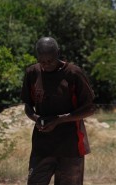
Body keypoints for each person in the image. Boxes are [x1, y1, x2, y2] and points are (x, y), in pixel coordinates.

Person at [21, 37, 96, 185]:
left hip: (71, 146)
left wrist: (59, 120)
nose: (46, 65)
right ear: (37, 57)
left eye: (50, 60)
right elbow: (27, 106)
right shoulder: (32, 73)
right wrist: (36, 119)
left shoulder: (73, 73)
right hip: (42, 145)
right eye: (42, 61)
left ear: (58, 54)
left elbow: (90, 108)